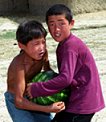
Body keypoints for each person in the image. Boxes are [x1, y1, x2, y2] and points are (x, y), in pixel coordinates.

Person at [26, 4, 105, 122]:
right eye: (52, 24)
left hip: (82, 103)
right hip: (78, 99)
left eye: (61, 23)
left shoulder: (70, 46)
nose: (56, 29)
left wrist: (36, 89)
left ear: (71, 23)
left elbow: (65, 79)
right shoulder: (65, 44)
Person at [4, 20, 65, 122]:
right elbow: (19, 101)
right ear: (21, 45)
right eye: (36, 44)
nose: (42, 48)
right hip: (16, 100)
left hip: (33, 95)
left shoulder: (43, 54)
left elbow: (48, 73)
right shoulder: (19, 65)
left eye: (43, 42)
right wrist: (48, 108)